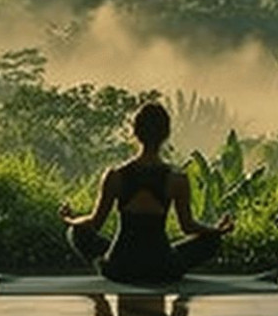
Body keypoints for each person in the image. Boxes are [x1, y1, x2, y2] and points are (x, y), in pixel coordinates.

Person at [59, 101, 233, 284]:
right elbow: (188, 226)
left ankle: (110, 266)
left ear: (135, 132)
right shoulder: (177, 180)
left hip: (119, 267)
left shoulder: (115, 176)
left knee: (75, 232)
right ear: (166, 135)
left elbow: (94, 223)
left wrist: (70, 219)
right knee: (212, 241)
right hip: (163, 268)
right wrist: (216, 231)